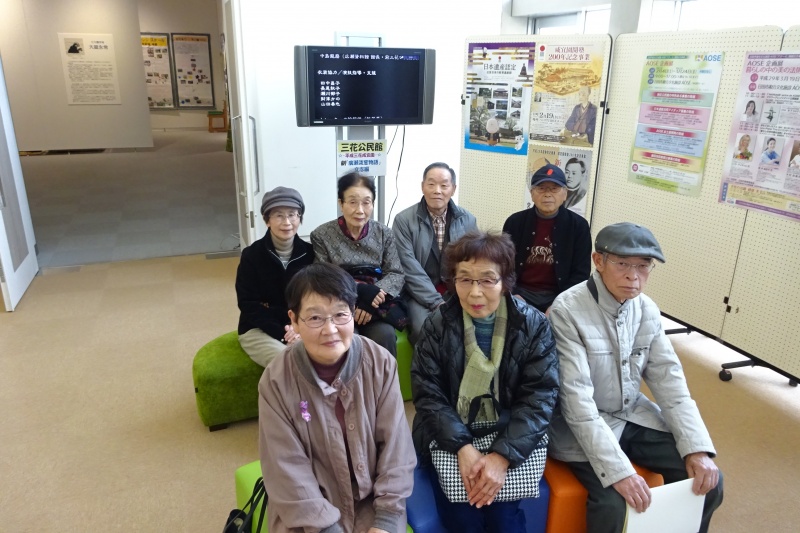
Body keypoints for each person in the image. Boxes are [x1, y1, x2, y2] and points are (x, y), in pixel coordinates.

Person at [547, 222, 724, 533]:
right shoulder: (567, 310)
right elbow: (577, 404)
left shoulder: (647, 310)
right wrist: (619, 472)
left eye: (643, 266)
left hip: (631, 414)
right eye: (622, 264)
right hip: (579, 425)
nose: (634, 276)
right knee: (614, 505)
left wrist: (696, 448)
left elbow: (671, 384)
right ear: (598, 261)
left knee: (709, 481)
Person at [411, 231, 559, 532]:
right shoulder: (437, 325)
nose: (475, 293)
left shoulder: (533, 326)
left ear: (505, 281)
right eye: (465, 279)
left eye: (487, 280)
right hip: (451, 433)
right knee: (462, 517)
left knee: (504, 519)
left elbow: (539, 398)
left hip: (509, 431)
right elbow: (428, 394)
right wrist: (463, 448)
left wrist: (502, 457)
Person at [259, 263, 416, 533]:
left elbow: (396, 448)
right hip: (307, 508)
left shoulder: (380, 363)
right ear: (294, 320)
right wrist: (326, 528)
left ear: (353, 313)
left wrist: (387, 520)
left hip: (370, 500)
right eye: (315, 318)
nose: (330, 329)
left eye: (340, 315)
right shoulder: (276, 381)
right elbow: (285, 467)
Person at [311, 172, 405, 357]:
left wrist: (371, 300)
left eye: (366, 202)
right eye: (353, 202)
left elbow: (395, 273)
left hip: (376, 305)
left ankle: (385, 377)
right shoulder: (322, 235)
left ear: (373, 203)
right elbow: (322, 277)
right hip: (339, 304)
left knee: (385, 336)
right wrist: (360, 294)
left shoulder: (384, 233)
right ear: (341, 203)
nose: (360, 210)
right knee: (347, 339)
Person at [392, 162, 478, 345]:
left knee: (470, 327)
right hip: (418, 293)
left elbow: (474, 262)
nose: (437, 191)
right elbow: (408, 266)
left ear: (453, 189)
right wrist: (436, 302)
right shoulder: (403, 221)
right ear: (422, 186)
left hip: (456, 290)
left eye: (444, 185)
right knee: (423, 329)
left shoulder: (467, 220)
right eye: (431, 184)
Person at [236, 187, 314, 367]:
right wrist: (284, 333)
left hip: (301, 325)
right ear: (267, 220)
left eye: (292, 215)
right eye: (279, 215)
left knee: (321, 356)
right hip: (259, 328)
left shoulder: (310, 253)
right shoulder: (251, 255)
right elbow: (248, 304)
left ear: (299, 218)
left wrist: (298, 327)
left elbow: (314, 298)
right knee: (288, 362)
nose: (287, 222)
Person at [502, 164, 592, 314]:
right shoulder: (515, 222)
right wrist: (514, 294)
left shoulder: (579, 226)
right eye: (541, 188)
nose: (547, 194)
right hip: (520, 292)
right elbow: (503, 265)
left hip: (559, 295)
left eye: (554, 189)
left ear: (565, 193)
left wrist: (560, 302)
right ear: (532, 193)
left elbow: (581, 274)